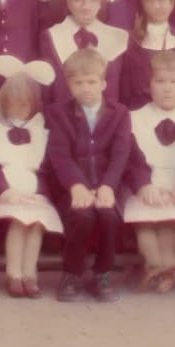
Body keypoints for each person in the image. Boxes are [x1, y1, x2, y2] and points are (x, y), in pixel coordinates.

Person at [46, 48, 132, 303]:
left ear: (104, 83)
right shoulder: (58, 113)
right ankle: (71, 273)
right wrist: (76, 186)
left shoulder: (120, 113)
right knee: (82, 216)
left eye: (92, 82)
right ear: (69, 85)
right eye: (78, 83)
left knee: (108, 217)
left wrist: (107, 186)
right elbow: (60, 154)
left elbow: (120, 154)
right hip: (72, 187)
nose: (86, 88)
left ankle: (102, 274)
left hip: (107, 185)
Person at [0, 56, 61, 299]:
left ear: (33, 105)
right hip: (6, 194)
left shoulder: (40, 131)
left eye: (23, 105)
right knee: (19, 221)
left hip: (33, 194)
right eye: (12, 104)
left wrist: (41, 195)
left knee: (35, 223)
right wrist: (4, 191)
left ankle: (29, 272)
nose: (17, 110)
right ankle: (13, 273)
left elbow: (45, 170)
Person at [124, 51, 175, 294]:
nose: (167, 89)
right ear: (149, 84)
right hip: (148, 189)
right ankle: (166, 267)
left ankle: (157, 267)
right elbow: (131, 157)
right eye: (160, 82)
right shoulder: (134, 118)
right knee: (148, 232)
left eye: (174, 82)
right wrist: (143, 185)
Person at [38, 0, 127, 105]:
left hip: (106, 117)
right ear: (67, 3)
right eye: (77, 0)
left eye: (92, 0)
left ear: (101, 3)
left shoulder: (117, 38)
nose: (85, 7)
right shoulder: (52, 36)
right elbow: (50, 89)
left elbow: (118, 89)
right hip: (64, 117)